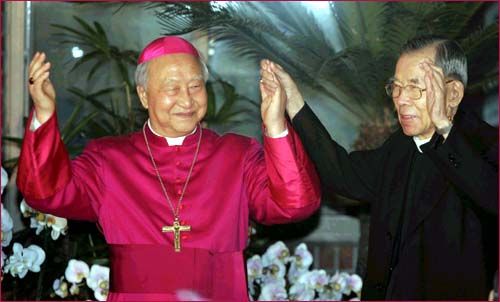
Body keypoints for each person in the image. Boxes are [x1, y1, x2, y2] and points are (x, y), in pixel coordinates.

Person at [17, 36, 321, 301]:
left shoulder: (237, 154)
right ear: (144, 95)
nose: (187, 100)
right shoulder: (108, 159)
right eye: (172, 88)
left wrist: (275, 125)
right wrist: (44, 115)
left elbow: (294, 205)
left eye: (195, 86)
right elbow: (47, 193)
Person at [260, 35, 498, 300]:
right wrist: (293, 101)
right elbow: (342, 173)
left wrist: (444, 127)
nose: (401, 100)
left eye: (415, 87)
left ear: (452, 93)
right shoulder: (400, 146)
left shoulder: (485, 145)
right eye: (396, 87)